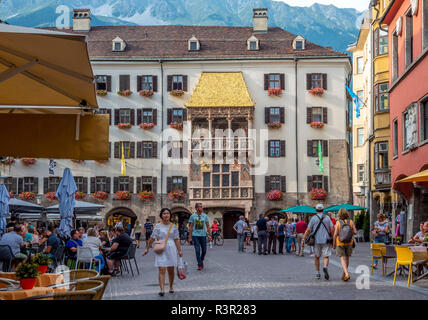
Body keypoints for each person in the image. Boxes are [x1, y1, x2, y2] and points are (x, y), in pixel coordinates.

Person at [144, 208, 183, 296]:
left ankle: (171, 286)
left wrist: (179, 250)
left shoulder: (173, 226)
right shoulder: (158, 226)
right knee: (161, 268)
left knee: (171, 269)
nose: (166, 215)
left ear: (170, 215)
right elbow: (152, 238)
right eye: (164, 213)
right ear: (161, 215)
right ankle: (162, 289)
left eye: (168, 213)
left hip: (171, 247)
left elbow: (176, 239)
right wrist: (147, 248)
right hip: (161, 247)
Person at [303, 204, 334, 280]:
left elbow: (308, 229)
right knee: (326, 256)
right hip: (326, 240)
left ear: (316, 210)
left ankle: (317, 273)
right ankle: (325, 266)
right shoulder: (327, 218)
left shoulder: (313, 218)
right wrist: (333, 238)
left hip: (316, 240)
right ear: (323, 210)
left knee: (316, 257)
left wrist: (304, 238)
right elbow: (332, 228)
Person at [332, 208, 357, 281]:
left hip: (340, 242)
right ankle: (344, 274)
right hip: (349, 242)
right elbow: (355, 232)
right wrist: (351, 231)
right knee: (347, 258)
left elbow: (335, 234)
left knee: (342, 258)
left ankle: (346, 274)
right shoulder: (351, 222)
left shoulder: (338, 223)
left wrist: (333, 244)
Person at [188, 203, 211, 270]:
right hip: (195, 235)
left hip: (203, 235)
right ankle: (199, 264)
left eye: (201, 207)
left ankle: (201, 259)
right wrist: (190, 237)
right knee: (197, 250)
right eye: (199, 207)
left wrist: (209, 235)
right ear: (196, 208)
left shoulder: (205, 216)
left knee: (204, 250)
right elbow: (191, 227)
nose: (201, 208)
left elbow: (208, 226)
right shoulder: (192, 216)